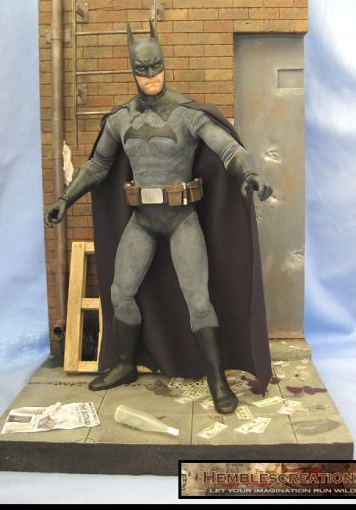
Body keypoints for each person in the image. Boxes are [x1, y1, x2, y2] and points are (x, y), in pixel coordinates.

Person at [45, 22, 272, 414]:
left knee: (198, 299)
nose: (151, 76)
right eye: (143, 69)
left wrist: (249, 173)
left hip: (182, 218)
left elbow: (228, 149)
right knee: (120, 292)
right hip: (142, 221)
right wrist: (65, 199)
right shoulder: (120, 120)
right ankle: (125, 365)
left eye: (157, 67)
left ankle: (217, 381)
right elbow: (97, 165)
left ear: (165, 65)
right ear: (132, 70)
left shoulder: (187, 115)